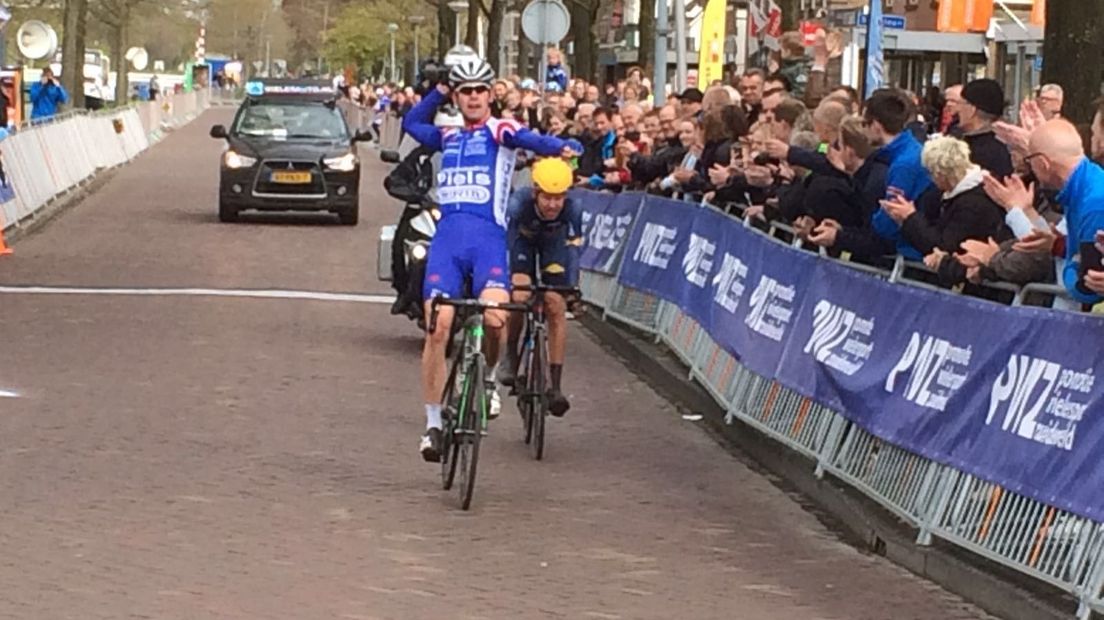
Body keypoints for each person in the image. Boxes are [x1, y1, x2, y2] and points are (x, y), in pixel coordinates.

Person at [401, 56, 581, 462]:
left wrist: (564, 147)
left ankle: (486, 382)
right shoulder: (446, 134)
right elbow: (413, 124)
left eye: (481, 90)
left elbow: (535, 141)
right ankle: (432, 425)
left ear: (490, 94)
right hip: (446, 245)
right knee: (438, 327)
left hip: (487, 243)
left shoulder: (500, 130)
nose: (474, 98)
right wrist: (439, 92)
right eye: (465, 91)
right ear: (459, 96)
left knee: (496, 319)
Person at [498, 158, 583, 416]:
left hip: (553, 246)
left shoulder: (573, 209)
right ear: (536, 193)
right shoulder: (518, 205)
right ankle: (511, 357)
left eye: (559, 198)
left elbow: (573, 251)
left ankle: (555, 387)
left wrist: (572, 289)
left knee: (555, 305)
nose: (553, 205)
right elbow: (507, 240)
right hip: (522, 243)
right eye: (547, 198)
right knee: (521, 294)